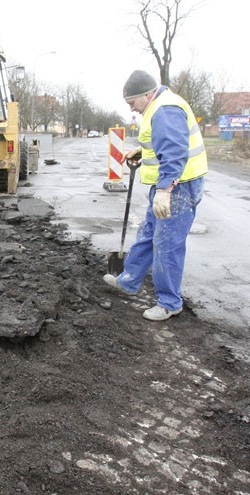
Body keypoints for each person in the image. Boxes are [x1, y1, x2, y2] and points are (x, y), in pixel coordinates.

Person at [103, 70, 208, 321]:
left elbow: (174, 151)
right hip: (171, 185)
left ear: (147, 94)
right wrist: (142, 152)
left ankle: (170, 302)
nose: (133, 109)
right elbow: (163, 142)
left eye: (133, 103)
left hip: (178, 187)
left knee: (167, 244)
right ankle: (129, 281)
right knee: (149, 234)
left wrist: (165, 190)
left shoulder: (164, 109)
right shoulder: (159, 106)